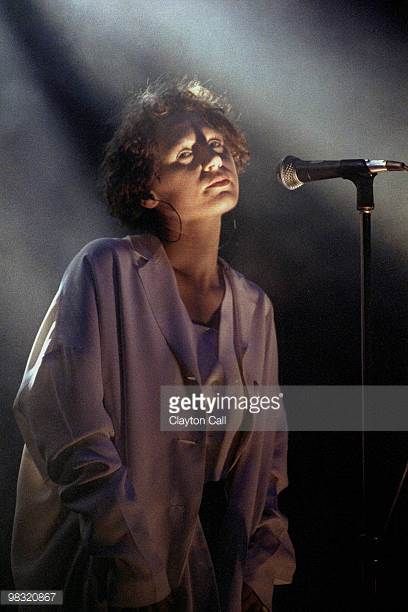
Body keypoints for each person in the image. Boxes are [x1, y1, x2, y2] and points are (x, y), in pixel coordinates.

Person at [11, 77, 295, 611]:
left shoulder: (255, 308)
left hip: (216, 577)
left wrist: (261, 574)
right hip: (107, 574)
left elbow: (267, 460)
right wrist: (132, 563)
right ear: (148, 188)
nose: (214, 160)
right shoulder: (105, 268)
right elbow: (62, 418)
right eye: (187, 153)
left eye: (219, 146)